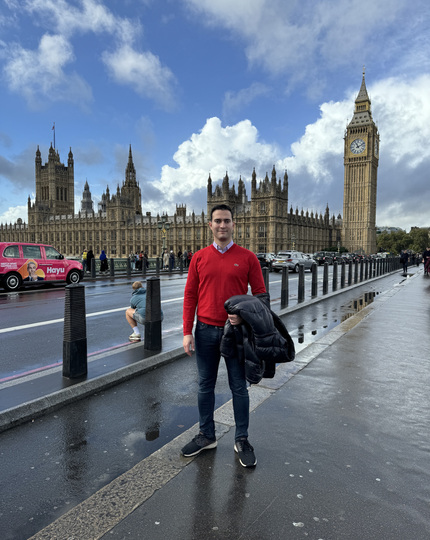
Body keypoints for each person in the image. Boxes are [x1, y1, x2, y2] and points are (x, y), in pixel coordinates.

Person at [181, 204, 266, 468]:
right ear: (210, 225)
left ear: (233, 224)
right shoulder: (199, 257)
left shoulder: (248, 257)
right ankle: (207, 435)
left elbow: (261, 296)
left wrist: (244, 316)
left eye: (226, 221)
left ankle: (242, 439)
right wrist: (186, 331)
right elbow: (190, 295)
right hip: (205, 330)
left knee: (238, 387)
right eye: (217, 221)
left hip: (236, 333)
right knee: (204, 385)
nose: (222, 225)